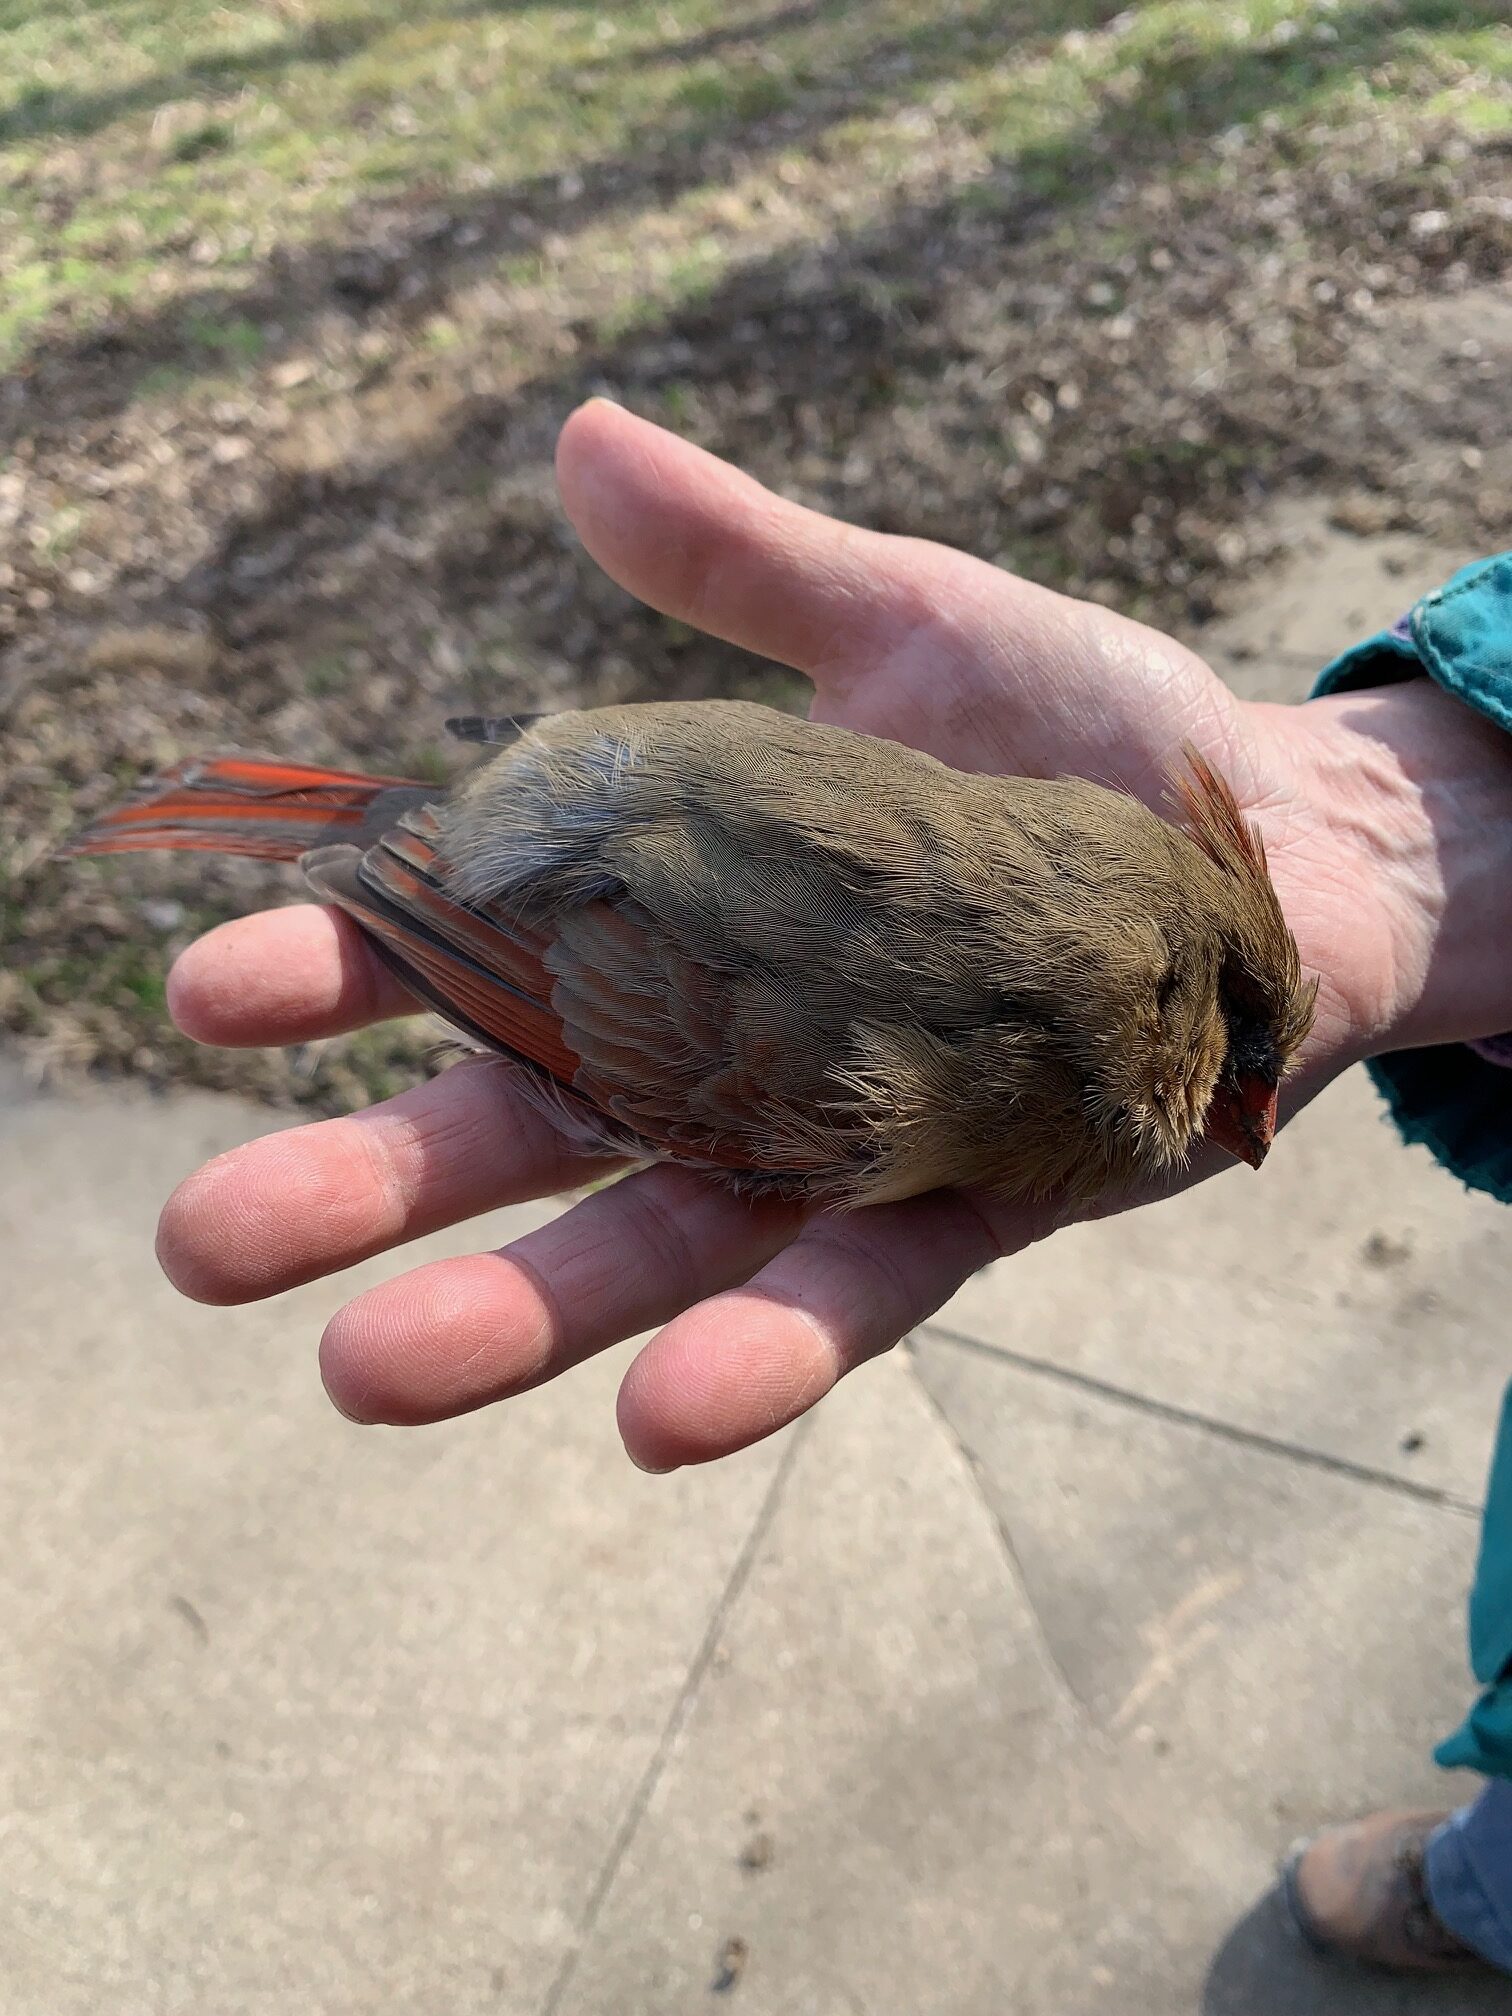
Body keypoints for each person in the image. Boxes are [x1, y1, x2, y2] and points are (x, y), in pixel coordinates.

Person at [154, 400, 1512, 1973]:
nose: (1240, 1115)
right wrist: (387, 855)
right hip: (562, 884)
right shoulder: (878, 1087)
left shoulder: (1082, 895)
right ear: (1117, 1019)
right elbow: (579, 974)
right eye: (1228, 1064)